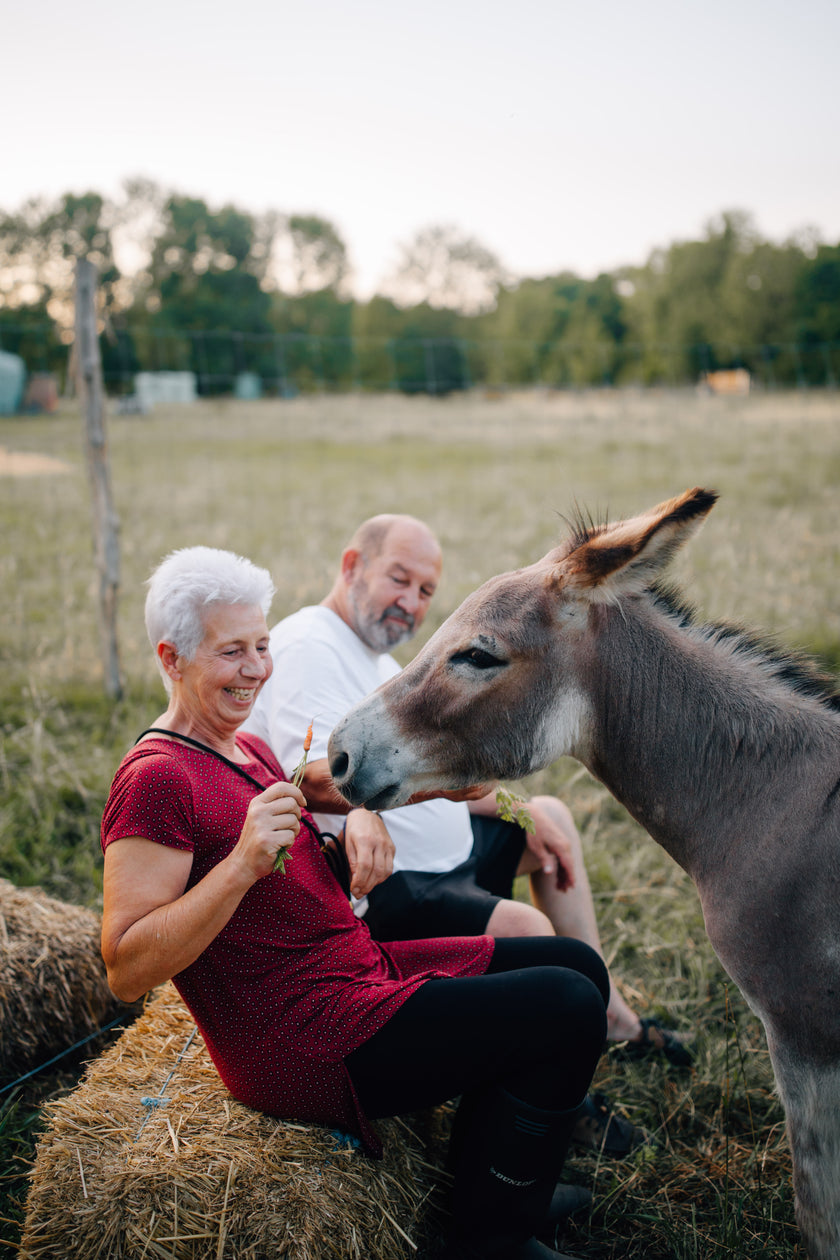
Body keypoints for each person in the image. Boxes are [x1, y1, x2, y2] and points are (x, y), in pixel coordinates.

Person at [100, 545, 610, 1260]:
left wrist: (336, 865)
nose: (255, 670)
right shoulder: (157, 779)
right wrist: (244, 865)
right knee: (565, 1006)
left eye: (261, 646)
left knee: (576, 966)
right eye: (231, 653)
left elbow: (288, 869)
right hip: (302, 1038)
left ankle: (496, 1188)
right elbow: (125, 966)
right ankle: (492, 1238)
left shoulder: (244, 750)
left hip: (354, 974)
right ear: (172, 657)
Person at [244, 515, 692, 1146]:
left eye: (427, 591)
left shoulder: (375, 655)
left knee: (550, 817)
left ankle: (613, 1015)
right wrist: (366, 812)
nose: (412, 602)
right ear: (351, 567)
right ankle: (561, 1104)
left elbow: (421, 768)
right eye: (399, 579)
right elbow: (312, 770)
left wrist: (512, 808)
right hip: (395, 880)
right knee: (528, 932)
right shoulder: (311, 645)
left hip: (444, 852)